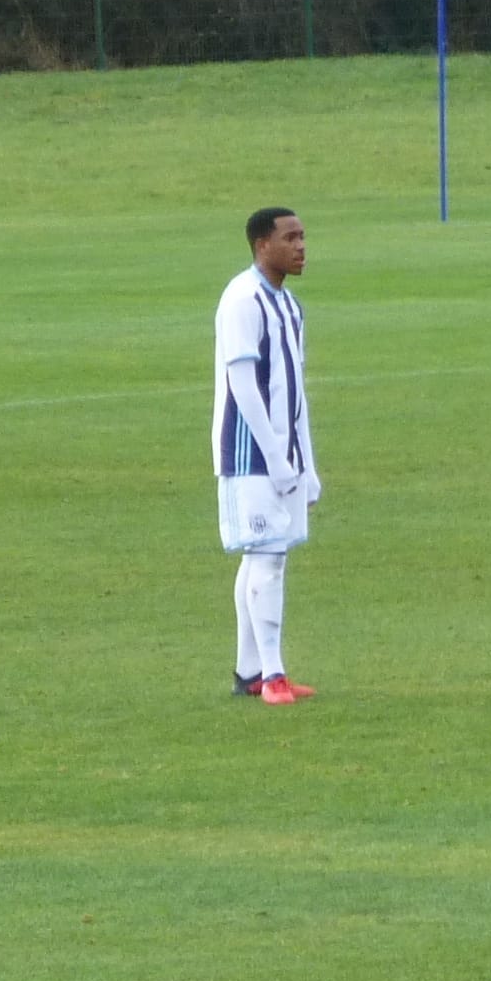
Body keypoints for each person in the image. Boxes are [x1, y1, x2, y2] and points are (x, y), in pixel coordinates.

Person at [216, 207, 321, 704]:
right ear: (262, 245)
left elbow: (294, 389)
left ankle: (249, 673)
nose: (301, 246)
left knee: (261, 558)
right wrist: (275, 459)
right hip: (250, 453)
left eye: (303, 237)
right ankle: (273, 676)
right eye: (290, 238)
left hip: (286, 454)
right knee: (267, 558)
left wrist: (307, 462)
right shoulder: (242, 299)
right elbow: (243, 384)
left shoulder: (290, 306)